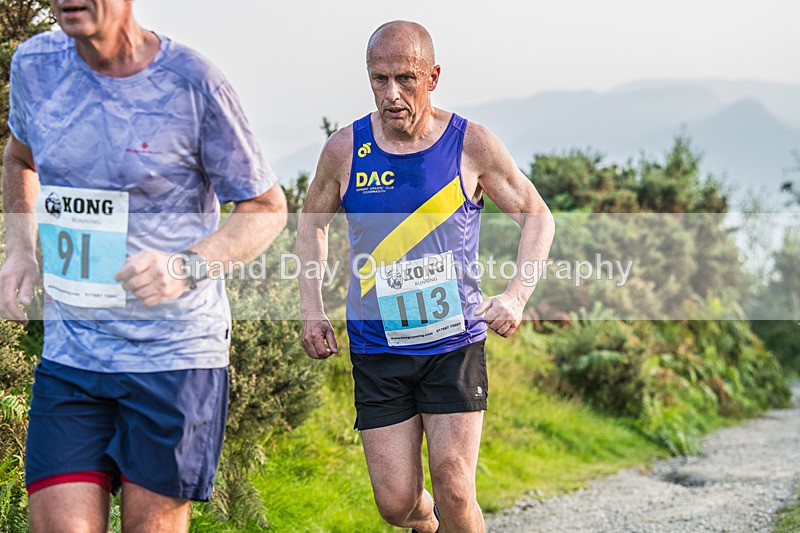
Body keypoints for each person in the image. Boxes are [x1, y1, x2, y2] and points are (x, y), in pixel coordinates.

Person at [0, 1, 287, 531]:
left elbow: (266, 208)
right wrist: (20, 248)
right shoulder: (35, 65)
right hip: (74, 354)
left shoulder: (193, 83)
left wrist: (187, 266)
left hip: (173, 356)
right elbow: (20, 158)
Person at [297, 20, 555, 533]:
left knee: (455, 486)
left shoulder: (471, 143)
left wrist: (516, 295)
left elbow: (536, 214)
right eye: (378, 79)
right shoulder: (345, 150)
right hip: (378, 346)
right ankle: (425, 524)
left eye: (405, 79)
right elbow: (310, 227)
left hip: (452, 342)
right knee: (396, 505)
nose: (392, 94)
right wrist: (311, 308)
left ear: (433, 76)